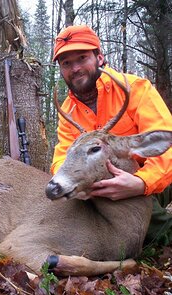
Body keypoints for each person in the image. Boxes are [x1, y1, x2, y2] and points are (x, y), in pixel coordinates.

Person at [51, 24, 172, 245]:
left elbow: (166, 145)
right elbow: (62, 156)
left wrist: (140, 183)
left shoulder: (136, 89)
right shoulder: (67, 110)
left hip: (155, 178)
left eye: (82, 58)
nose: (75, 68)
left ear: (99, 57)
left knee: (148, 229)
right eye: (66, 63)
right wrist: (72, 182)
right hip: (101, 186)